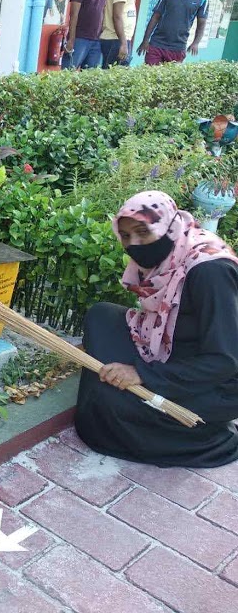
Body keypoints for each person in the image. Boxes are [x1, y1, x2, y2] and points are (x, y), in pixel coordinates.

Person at [75, 191, 238, 468]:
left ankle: (208, 438)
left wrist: (142, 373)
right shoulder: (173, 254)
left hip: (215, 384)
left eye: (142, 232)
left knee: (106, 404)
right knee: (101, 315)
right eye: (126, 236)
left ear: (168, 227)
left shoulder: (209, 272)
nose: (134, 244)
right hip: (172, 348)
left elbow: (224, 361)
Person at [136, 0, 208, 65]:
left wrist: (195, 43)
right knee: (150, 78)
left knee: (170, 80)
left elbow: (201, 25)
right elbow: (155, 17)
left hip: (178, 48)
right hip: (157, 45)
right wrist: (145, 40)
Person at [62, 0, 121, 69]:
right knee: (68, 73)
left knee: (90, 79)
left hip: (97, 41)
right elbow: (73, 15)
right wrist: (71, 40)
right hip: (79, 39)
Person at [100, 0, 145, 68]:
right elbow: (117, 15)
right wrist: (123, 43)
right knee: (111, 81)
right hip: (115, 40)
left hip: (120, 39)